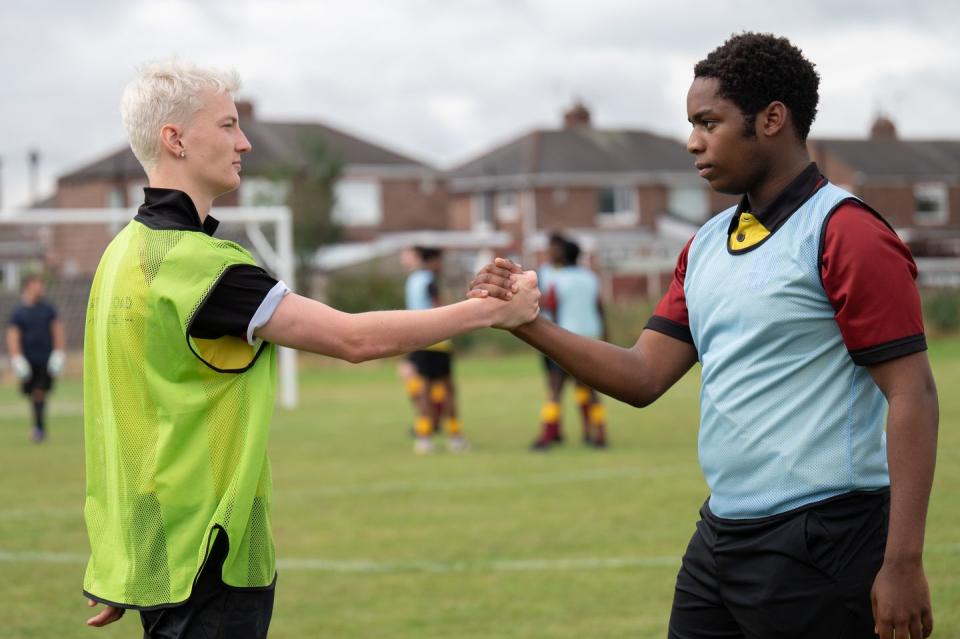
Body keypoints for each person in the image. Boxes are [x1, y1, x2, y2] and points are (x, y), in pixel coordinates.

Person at [470, 33, 937, 639]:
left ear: (772, 119)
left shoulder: (845, 232)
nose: (693, 142)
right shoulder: (708, 243)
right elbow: (642, 376)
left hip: (825, 537)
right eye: (691, 124)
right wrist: (528, 324)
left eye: (708, 123)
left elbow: (912, 395)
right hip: (720, 535)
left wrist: (902, 563)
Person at [82, 61, 539, 638]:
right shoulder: (203, 268)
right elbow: (352, 339)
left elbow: (129, 416)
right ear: (174, 139)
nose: (244, 142)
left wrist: (126, 560)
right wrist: (491, 312)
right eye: (227, 125)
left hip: (156, 552)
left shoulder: (121, 255)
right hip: (210, 553)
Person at [531, 235, 609, 450]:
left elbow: (552, 308)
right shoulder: (591, 277)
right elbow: (600, 308)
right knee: (590, 390)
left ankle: (547, 436)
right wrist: (605, 337)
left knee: (555, 388)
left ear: (564, 255)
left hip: (567, 339)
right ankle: (599, 432)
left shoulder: (558, 279)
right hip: (591, 338)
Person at [403, 246, 467, 454]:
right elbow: (438, 308)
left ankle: (424, 437)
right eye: (439, 262)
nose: (441, 266)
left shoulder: (412, 280)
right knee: (448, 391)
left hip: (417, 340)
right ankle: (455, 438)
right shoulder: (430, 281)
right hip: (437, 343)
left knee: (423, 392)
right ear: (431, 261)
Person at [6, 274, 65, 442]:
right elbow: (13, 335)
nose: (41, 287)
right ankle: (38, 427)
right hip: (27, 360)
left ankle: (39, 429)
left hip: (45, 359)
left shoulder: (48, 309)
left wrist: (59, 352)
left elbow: (57, 330)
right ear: (29, 286)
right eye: (38, 284)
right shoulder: (19, 312)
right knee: (33, 393)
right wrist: (17, 358)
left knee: (39, 392)